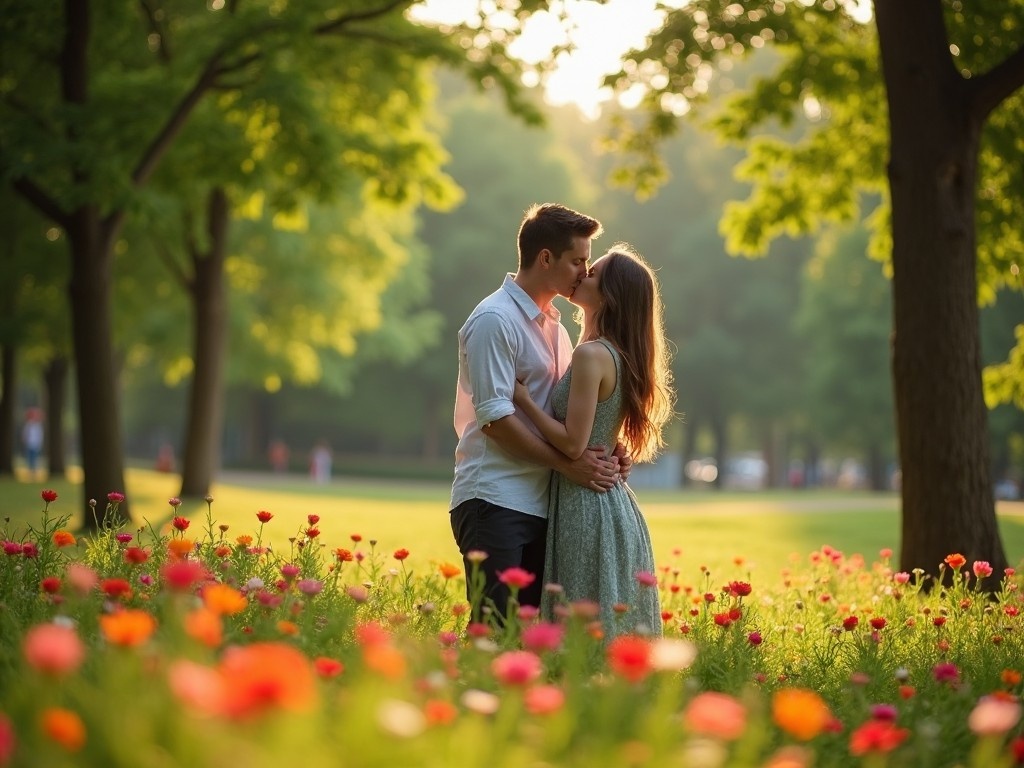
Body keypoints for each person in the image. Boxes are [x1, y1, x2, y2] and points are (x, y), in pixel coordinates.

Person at [450, 203, 628, 622]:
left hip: (542, 503)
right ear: (545, 257)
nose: (584, 272)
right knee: (496, 631)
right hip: (495, 499)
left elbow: (565, 415)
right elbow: (495, 420)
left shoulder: (558, 330)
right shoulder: (495, 320)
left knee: (531, 640)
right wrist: (569, 467)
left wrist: (608, 448)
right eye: (577, 261)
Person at [512, 245, 675, 639]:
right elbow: (601, 427)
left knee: (580, 623)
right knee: (601, 623)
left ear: (609, 295)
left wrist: (524, 402)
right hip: (608, 503)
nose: (583, 273)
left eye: (594, 271)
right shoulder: (612, 353)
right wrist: (614, 447)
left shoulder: (591, 355)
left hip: (585, 504)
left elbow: (572, 444)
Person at [21, 408, 44, 479]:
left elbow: (40, 436)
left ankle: (34, 473)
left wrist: (39, 444)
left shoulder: (38, 425)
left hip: (35, 445)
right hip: (29, 444)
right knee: (29, 459)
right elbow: (25, 434)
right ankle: (30, 473)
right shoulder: (28, 425)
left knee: (34, 459)